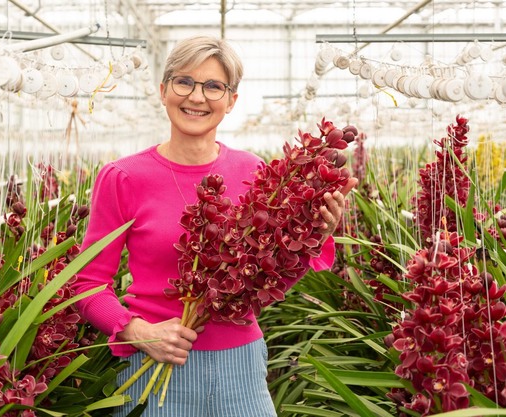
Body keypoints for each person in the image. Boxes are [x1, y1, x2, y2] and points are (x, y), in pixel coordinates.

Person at [73, 35, 357, 417]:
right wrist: (137, 331)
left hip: (241, 367)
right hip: (154, 361)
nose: (196, 97)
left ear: (231, 100)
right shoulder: (123, 177)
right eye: (184, 82)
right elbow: (87, 284)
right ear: (163, 90)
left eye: (213, 86)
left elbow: (271, 279)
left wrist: (316, 234)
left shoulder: (256, 173)